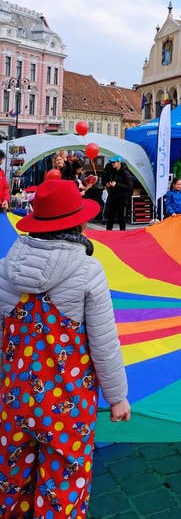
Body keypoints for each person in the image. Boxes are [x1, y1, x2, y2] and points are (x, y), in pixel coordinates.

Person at [0, 178, 130, 517]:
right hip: (67, 405)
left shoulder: (6, 266)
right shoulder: (88, 270)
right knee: (63, 487)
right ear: (78, 224)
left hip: (14, 398)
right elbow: (103, 342)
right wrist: (117, 397)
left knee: (10, 480)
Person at [102, 155, 134, 231]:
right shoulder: (112, 171)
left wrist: (116, 185)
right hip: (112, 196)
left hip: (121, 197)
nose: (112, 164)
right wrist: (107, 184)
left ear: (119, 162)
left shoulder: (126, 173)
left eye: (113, 162)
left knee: (121, 216)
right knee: (110, 216)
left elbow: (129, 187)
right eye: (111, 162)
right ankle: (108, 232)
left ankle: (122, 232)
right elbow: (106, 179)